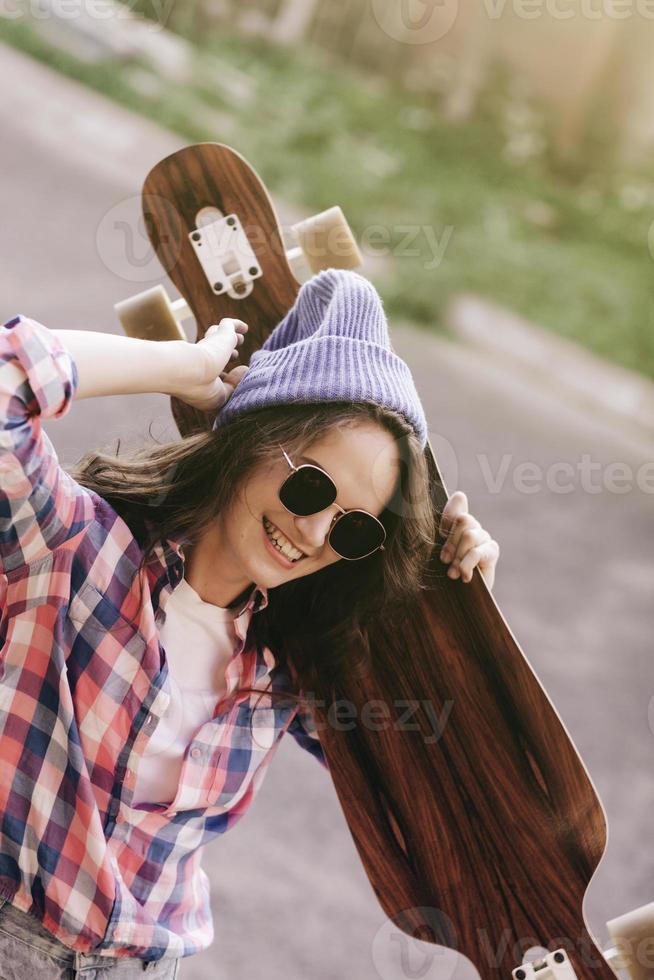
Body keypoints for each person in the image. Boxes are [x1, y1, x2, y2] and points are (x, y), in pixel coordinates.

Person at [0, 269, 499, 977]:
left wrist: (462, 609)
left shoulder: (283, 665)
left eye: (354, 530)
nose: (316, 530)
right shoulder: (72, 549)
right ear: (253, 439)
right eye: (311, 485)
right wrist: (187, 369)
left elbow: (432, 777)